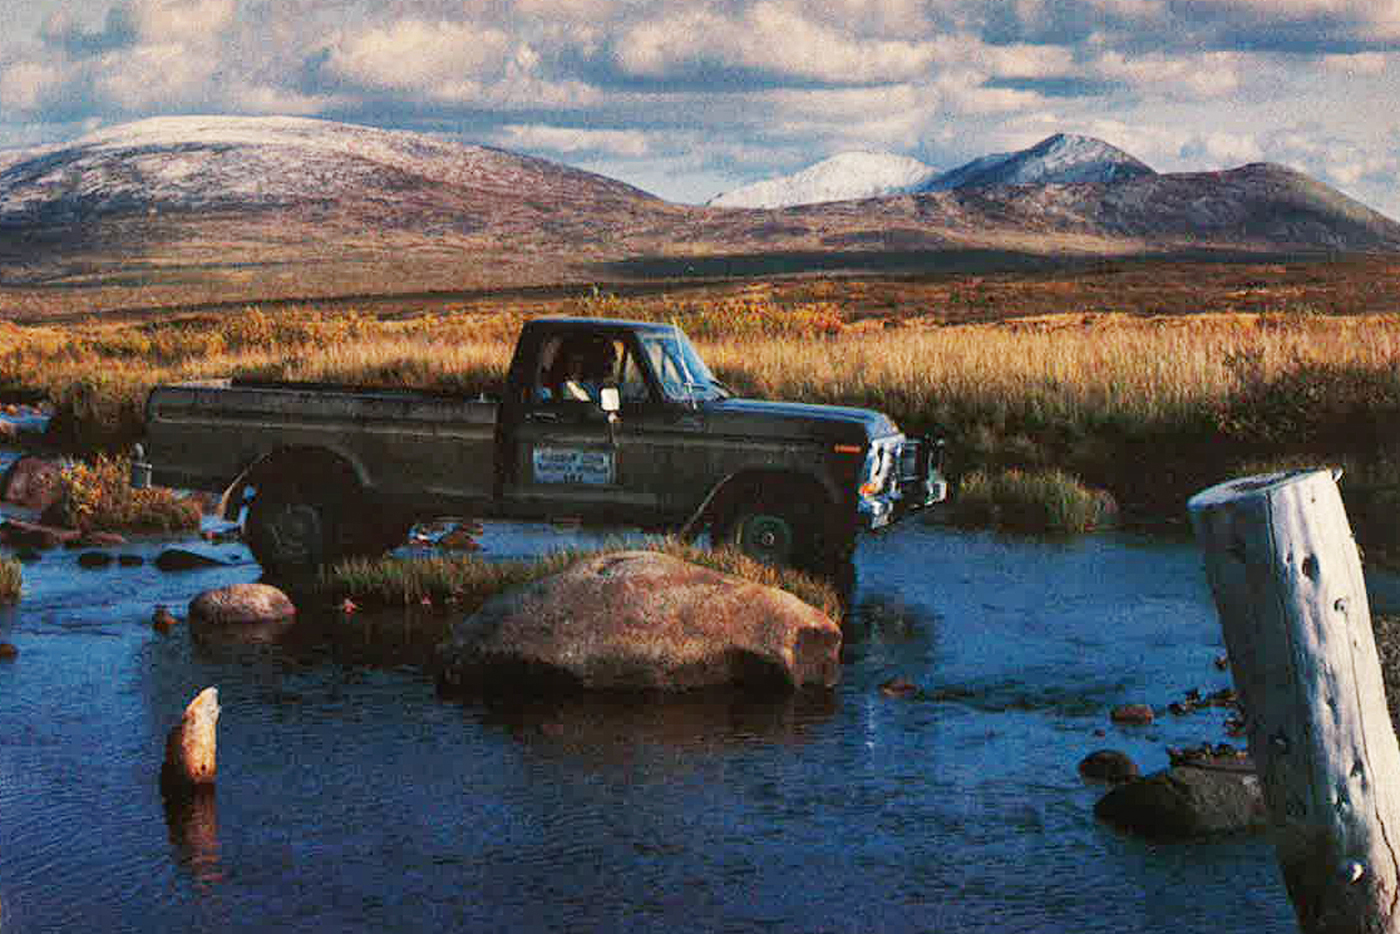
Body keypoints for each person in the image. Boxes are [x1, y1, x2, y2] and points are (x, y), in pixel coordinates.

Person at [551, 336, 616, 403]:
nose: (576, 366)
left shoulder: (604, 384)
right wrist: (573, 387)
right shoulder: (567, 386)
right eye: (574, 362)